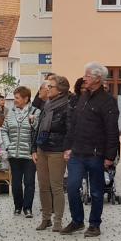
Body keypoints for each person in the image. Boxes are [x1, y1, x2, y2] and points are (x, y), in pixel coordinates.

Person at [62, 63, 119, 239]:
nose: (84, 78)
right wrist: (68, 146)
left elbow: (112, 130)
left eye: (87, 75)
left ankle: (94, 224)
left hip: (96, 153)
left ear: (97, 79)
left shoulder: (108, 101)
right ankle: (77, 220)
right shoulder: (83, 97)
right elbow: (73, 124)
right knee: (72, 187)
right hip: (77, 152)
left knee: (96, 191)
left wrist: (110, 156)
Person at [32, 75, 70, 232]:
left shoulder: (67, 106)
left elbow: (70, 131)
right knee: (42, 186)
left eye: (51, 86)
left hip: (57, 150)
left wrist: (67, 149)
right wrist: (33, 149)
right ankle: (45, 218)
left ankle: (58, 221)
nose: (48, 89)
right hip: (42, 148)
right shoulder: (46, 104)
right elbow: (38, 127)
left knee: (56, 186)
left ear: (60, 91)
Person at [4, 86, 40, 218]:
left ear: (26, 98)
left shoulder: (36, 111)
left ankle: (28, 208)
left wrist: (33, 121)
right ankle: (18, 206)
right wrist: (8, 145)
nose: (15, 100)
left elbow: (37, 131)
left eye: (17, 98)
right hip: (14, 154)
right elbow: (4, 130)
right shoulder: (11, 112)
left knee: (29, 182)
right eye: (15, 98)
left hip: (30, 154)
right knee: (16, 183)